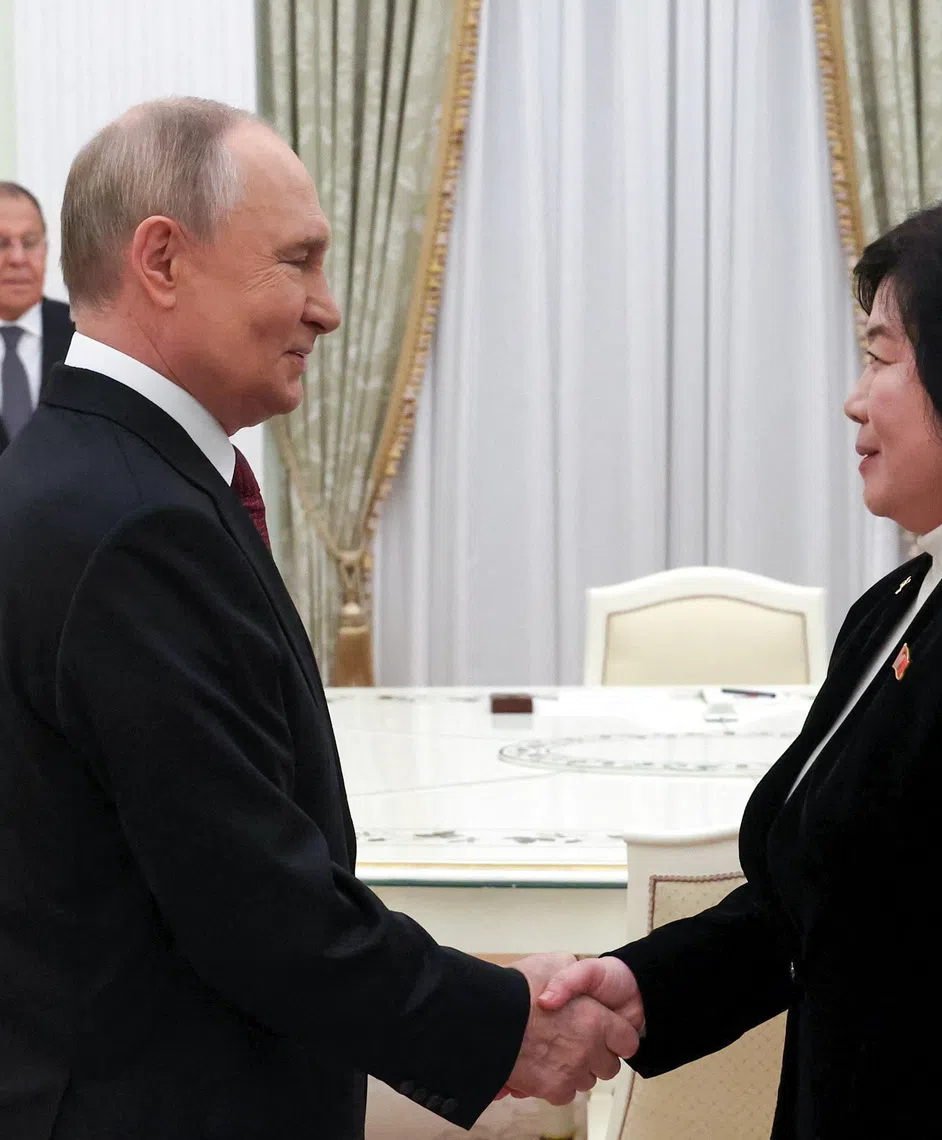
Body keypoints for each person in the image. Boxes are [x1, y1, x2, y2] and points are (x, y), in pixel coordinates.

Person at [0, 98, 639, 1140]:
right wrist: (500, 1023)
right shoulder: (131, 526)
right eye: (296, 262)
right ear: (162, 260)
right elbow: (254, 909)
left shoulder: (91, 479)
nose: (329, 308)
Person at [538, 184, 942, 1138]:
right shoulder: (912, 600)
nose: (854, 400)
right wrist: (642, 988)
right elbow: (825, 902)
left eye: (879, 356)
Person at [0, 182, 74, 452]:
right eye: (1, 244)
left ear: (45, 250)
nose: (18, 258)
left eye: (30, 243)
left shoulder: (84, 336)